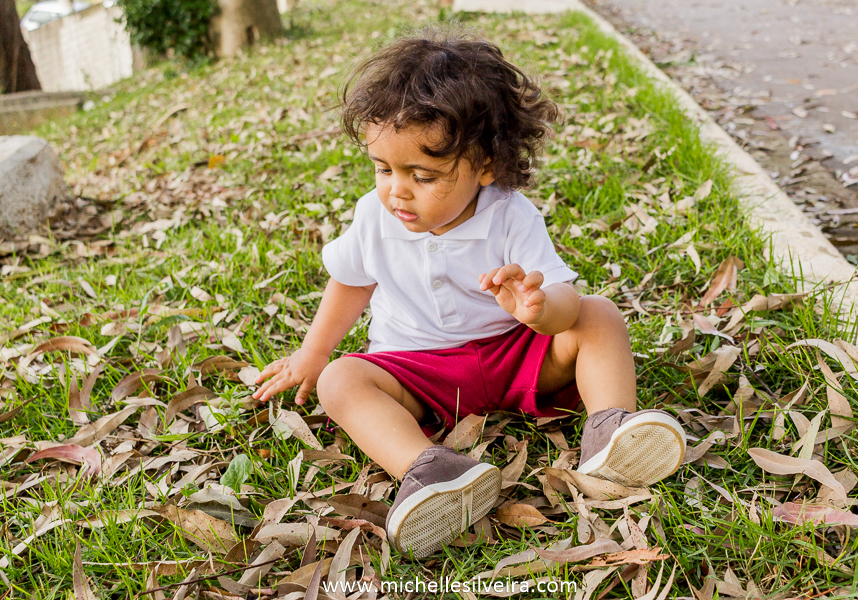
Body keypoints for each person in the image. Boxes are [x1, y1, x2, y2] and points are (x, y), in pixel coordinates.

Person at [253, 28, 686, 559]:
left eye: (423, 174)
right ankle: (432, 471)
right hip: (418, 372)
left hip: (513, 354)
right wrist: (314, 354)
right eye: (383, 169)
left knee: (597, 315)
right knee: (342, 380)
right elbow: (350, 280)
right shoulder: (373, 215)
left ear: (485, 166)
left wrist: (540, 309)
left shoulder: (509, 214)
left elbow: (564, 297)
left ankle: (611, 432)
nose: (396, 190)